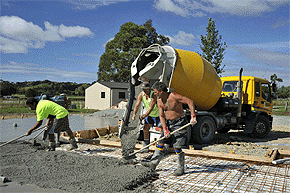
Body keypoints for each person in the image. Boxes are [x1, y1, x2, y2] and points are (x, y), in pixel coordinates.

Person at [141, 81, 197, 176]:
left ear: (161, 91)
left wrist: (193, 115)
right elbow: (162, 116)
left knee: (177, 147)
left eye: (155, 92)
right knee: (160, 143)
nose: (154, 94)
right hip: (168, 124)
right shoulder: (159, 102)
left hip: (180, 123)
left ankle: (181, 167)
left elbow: (189, 101)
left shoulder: (173, 96)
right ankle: (153, 163)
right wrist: (165, 129)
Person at [132, 82, 160, 153]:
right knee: (145, 128)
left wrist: (144, 116)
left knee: (161, 129)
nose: (144, 90)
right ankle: (146, 146)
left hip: (157, 115)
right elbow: (137, 105)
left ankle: (163, 146)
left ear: (149, 89)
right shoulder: (141, 94)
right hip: (149, 115)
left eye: (145, 89)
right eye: (143, 89)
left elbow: (151, 108)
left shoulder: (153, 95)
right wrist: (134, 115)